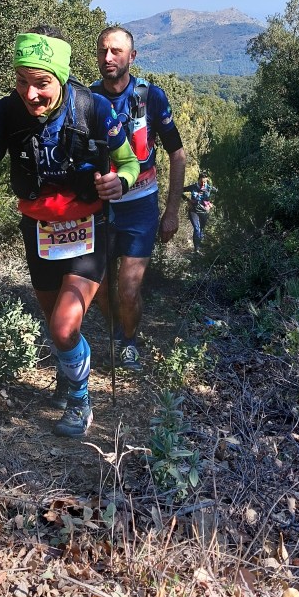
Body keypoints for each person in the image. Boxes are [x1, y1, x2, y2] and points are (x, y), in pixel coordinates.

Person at [0, 27, 139, 438]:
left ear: (61, 76)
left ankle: (80, 401)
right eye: (22, 80)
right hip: (38, 231)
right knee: (55, 320)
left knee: (62, 327)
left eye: (41, 82)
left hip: (88, 229)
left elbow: (129, 162)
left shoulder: (93, 108)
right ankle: (68, 370)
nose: (30, 93)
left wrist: (121, 182)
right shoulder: (4, 114)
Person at [91, 26, 186, 372]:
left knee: (128, 290)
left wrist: (171, 212)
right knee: (101, 289)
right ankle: (117, 332)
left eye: (116, 51)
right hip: (98, 209)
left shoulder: (151, 97)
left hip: (140, 206)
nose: (108, 57)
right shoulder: (88, 99)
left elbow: (177, 154)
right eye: (103, 51)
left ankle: (129, 342)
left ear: (132, 57)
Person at [183, 173, 216, 253]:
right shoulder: (193, 187)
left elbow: (220, 194)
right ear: (198, 180)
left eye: (205, 182)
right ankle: (196, 249)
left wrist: (211, 204)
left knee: (201, 229)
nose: (203, 184)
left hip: (204, 211)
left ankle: (200, 246)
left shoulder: (209, 188)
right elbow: (180, 190)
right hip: (193, 210)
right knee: (196, 228)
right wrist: (188, 200)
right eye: (201, 182)